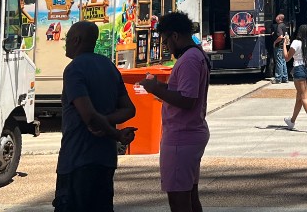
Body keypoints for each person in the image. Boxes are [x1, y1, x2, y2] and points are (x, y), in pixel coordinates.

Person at [55, 21, 136, 212]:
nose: (66, 43)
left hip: (77, 159)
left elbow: (89, 116)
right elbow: (129, 109)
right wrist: (107, 121)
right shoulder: (108, 66)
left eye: (67, 38)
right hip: (105, 160)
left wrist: (113, 132)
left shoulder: (74, 70)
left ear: (77, 40)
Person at [141, 12, 210, 212]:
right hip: (189, 133)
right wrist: (162, 88)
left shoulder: (189, 59)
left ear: (175, 36)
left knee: (179, 201)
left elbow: (187, 99)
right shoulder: (196, 55)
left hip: (182, 135)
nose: (166, 47)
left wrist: (156, 89)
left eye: (166, 41)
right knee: (190, 197)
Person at [283, 24, 307, 132]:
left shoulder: (296, 42)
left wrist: (284, 45)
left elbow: (287, 58)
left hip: (299, 68)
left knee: (303, 97)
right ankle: (292, 121)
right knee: (299, 96)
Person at [272, 13, 289, 84]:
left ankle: (278, 78)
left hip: (279, 46)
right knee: (283, 62)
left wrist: (275, 42)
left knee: (279, 62)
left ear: (279, 18)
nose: (275, 18)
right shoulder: (284, 25)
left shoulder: (279, 26)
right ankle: (285, 78)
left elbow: (280, 36)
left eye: (277, 17)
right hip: (283, 46)